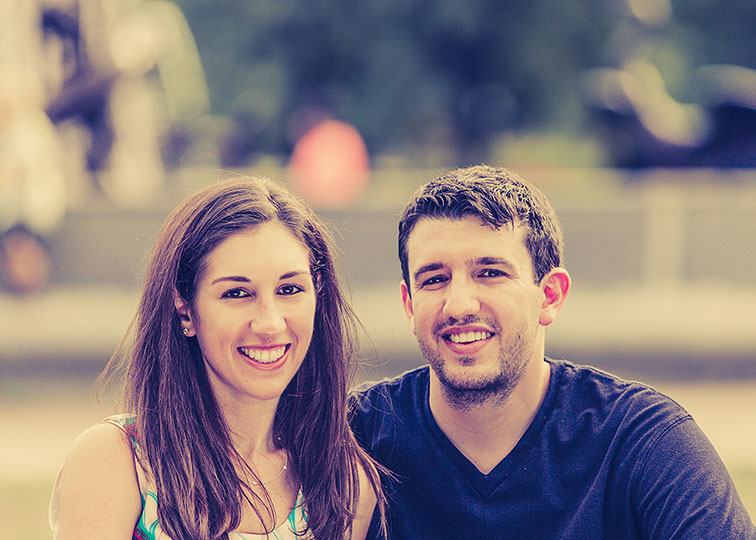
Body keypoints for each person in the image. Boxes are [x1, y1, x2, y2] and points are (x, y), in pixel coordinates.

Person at [349, 165, 756, 539]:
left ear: (550, 295)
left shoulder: (641, 441)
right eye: (434, 279)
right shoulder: (351, 437)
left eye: (490, 273)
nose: (458, 305)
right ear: (408, 303)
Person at [50, 176, 385, 539]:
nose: (270, 323)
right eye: (237, 293)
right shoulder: (117, 461)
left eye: (290, 289)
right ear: (184, 309)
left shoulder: (345, 484)